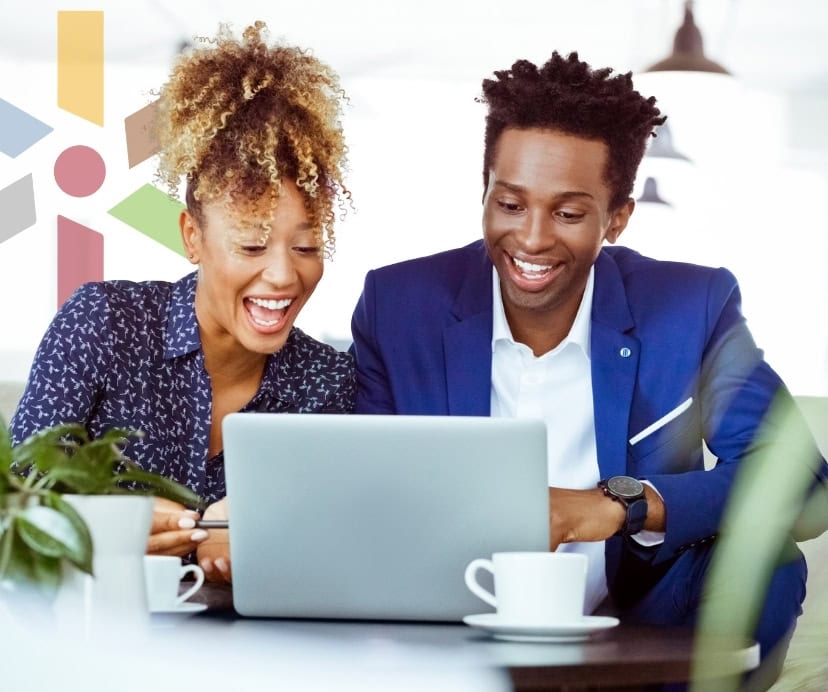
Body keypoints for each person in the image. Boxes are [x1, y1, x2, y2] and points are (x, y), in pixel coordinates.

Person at [350, 51, 827, 685]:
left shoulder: (691, 307)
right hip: (443, 622)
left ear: (618, 217)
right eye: (510, 204)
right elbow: (359, 490)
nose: (533, 238)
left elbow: (803, 487)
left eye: (569, 214)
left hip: (634, 628)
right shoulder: (399, 304)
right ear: (485, 192)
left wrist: (616, 507)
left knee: (771, 561)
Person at [11, 21, 355, 584]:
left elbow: (339, 544)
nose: (283, 274)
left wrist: (264, 541)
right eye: (250, 244)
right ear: (191, 236)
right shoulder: (104, 324)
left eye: (307, 246)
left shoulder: (328, 383)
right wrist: (104, 529)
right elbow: (17, 504)